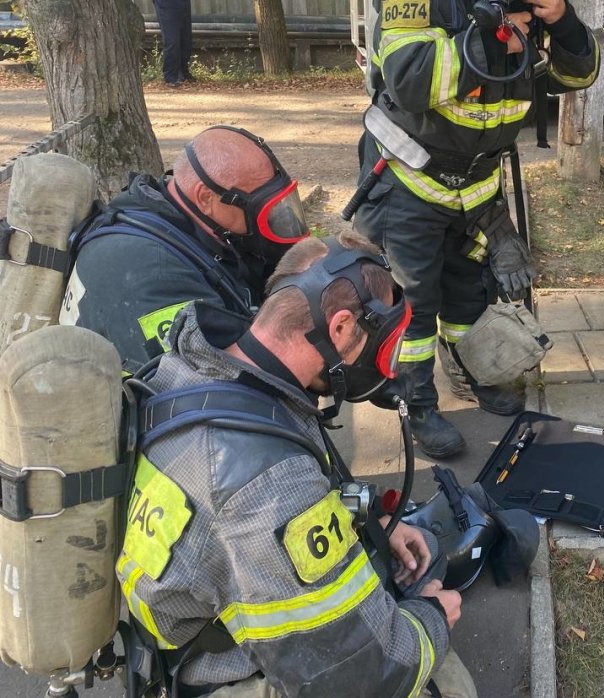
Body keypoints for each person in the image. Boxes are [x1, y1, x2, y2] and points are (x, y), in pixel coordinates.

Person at [115, 232, 475, 697]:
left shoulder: (193, 370)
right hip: (226, 673)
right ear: (342, 328)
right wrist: (432, 618)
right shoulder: (266, 482)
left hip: (196, 619)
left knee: (419, 544)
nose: (385, 368)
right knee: (451, 685)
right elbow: (361, 678)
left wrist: (371, 520)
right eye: (383, 346)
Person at [350, 0, 599, 458]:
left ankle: (475, 374)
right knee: (415, 302)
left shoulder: (529, 1)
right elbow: (409, 82)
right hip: (410, 177)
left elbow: (579, 77)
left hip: (478, 185)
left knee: (470, 294)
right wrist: (483, 37)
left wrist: (561, 22)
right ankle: (418, 407)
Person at [60, 125, 309, 370]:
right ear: (205, 198)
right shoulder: (156, 275)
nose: (275, 221)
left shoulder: (169, 214)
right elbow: (227, 380)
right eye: (259, 209)